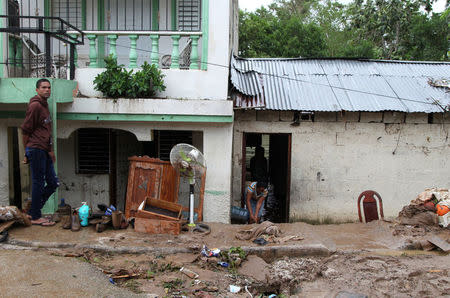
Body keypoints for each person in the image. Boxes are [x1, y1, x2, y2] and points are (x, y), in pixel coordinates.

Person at [20, 79, 59, 226]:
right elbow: (25, 130)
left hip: (44, 150)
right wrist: (27, 151)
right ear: (37, 90)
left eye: (49, 87)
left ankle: (33, 209)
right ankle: (35, 216)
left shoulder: (45, 105)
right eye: (43, 87)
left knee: (53, 183)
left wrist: (50, 150)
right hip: (35, 148)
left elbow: (46, 130)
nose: (47, 90)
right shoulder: (35, 105)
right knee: (38, 182)